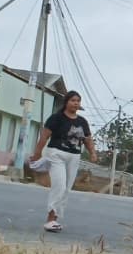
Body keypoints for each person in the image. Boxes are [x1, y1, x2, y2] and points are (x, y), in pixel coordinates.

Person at [30, 91, 97, 232]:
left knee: (66, 189)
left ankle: (54, 220)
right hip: (56, 154)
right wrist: (37, 153)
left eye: (78, 101)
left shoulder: (82, 122)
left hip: (74, 157)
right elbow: (44, 137)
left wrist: (92, 153)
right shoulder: (56, 118)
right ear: (66, 102)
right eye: (73, 100)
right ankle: (50, 219)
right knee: (59, 186)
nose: (76, 103)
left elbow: (87, 139)